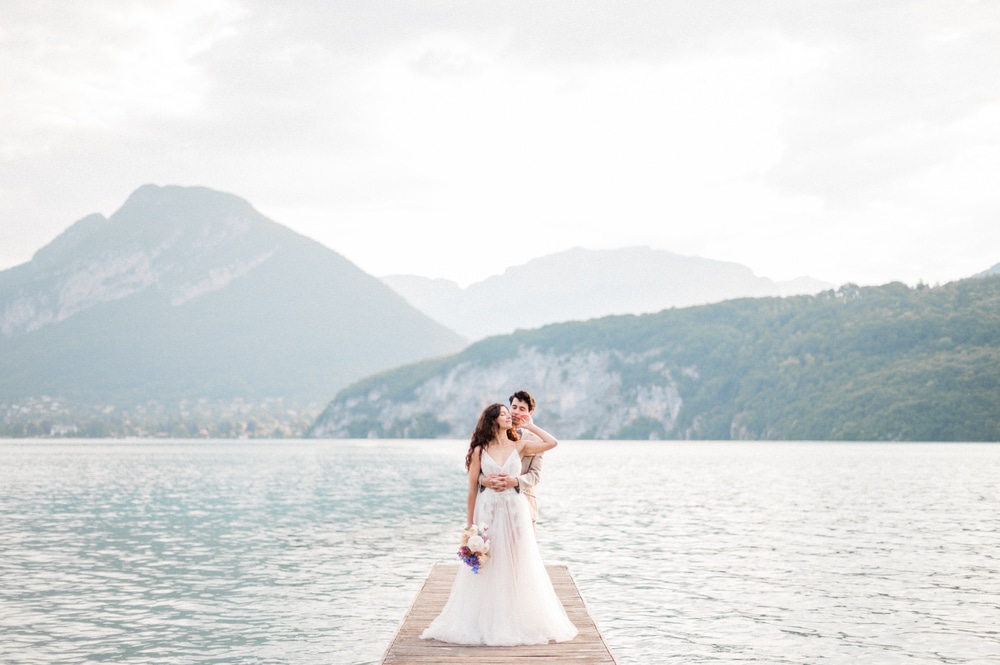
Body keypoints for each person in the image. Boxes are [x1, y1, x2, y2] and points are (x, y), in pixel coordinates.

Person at [420, 403, 578, 646]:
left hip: (515, 510)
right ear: (493, 420)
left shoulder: (520, 444)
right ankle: (484, 619)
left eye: (509, 413)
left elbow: (552, 442)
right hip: (488, 510)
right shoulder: (479, 450)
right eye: (504, 414)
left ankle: (515, 617)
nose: (510, 416)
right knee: (489, 562)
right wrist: (470, 526)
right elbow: (472, 489)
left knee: (516, 560)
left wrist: (532, 426)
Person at [480, 390, 543, 528]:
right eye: (514, 407)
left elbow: (535, 475)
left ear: (529, 413)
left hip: (525, 505)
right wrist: (484, 480)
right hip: (492, 506)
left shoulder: (535, 440)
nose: (516, 412)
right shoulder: (490, 436)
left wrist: (514, 481)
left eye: (522, 409)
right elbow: (475, 471)